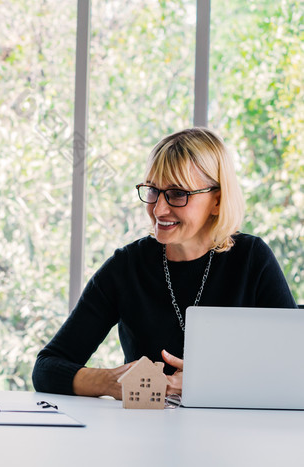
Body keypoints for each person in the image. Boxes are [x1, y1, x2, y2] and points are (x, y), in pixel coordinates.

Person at [33, 127, 298, 399]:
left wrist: (206, 382)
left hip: (235, 435)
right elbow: (46, 368)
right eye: (153, 191)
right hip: (147, 434)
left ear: (216, 201)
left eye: (177, 194)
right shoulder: (127, 266)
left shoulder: (252, 259)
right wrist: (109, 382)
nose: (158, 209)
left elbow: (295, 369)